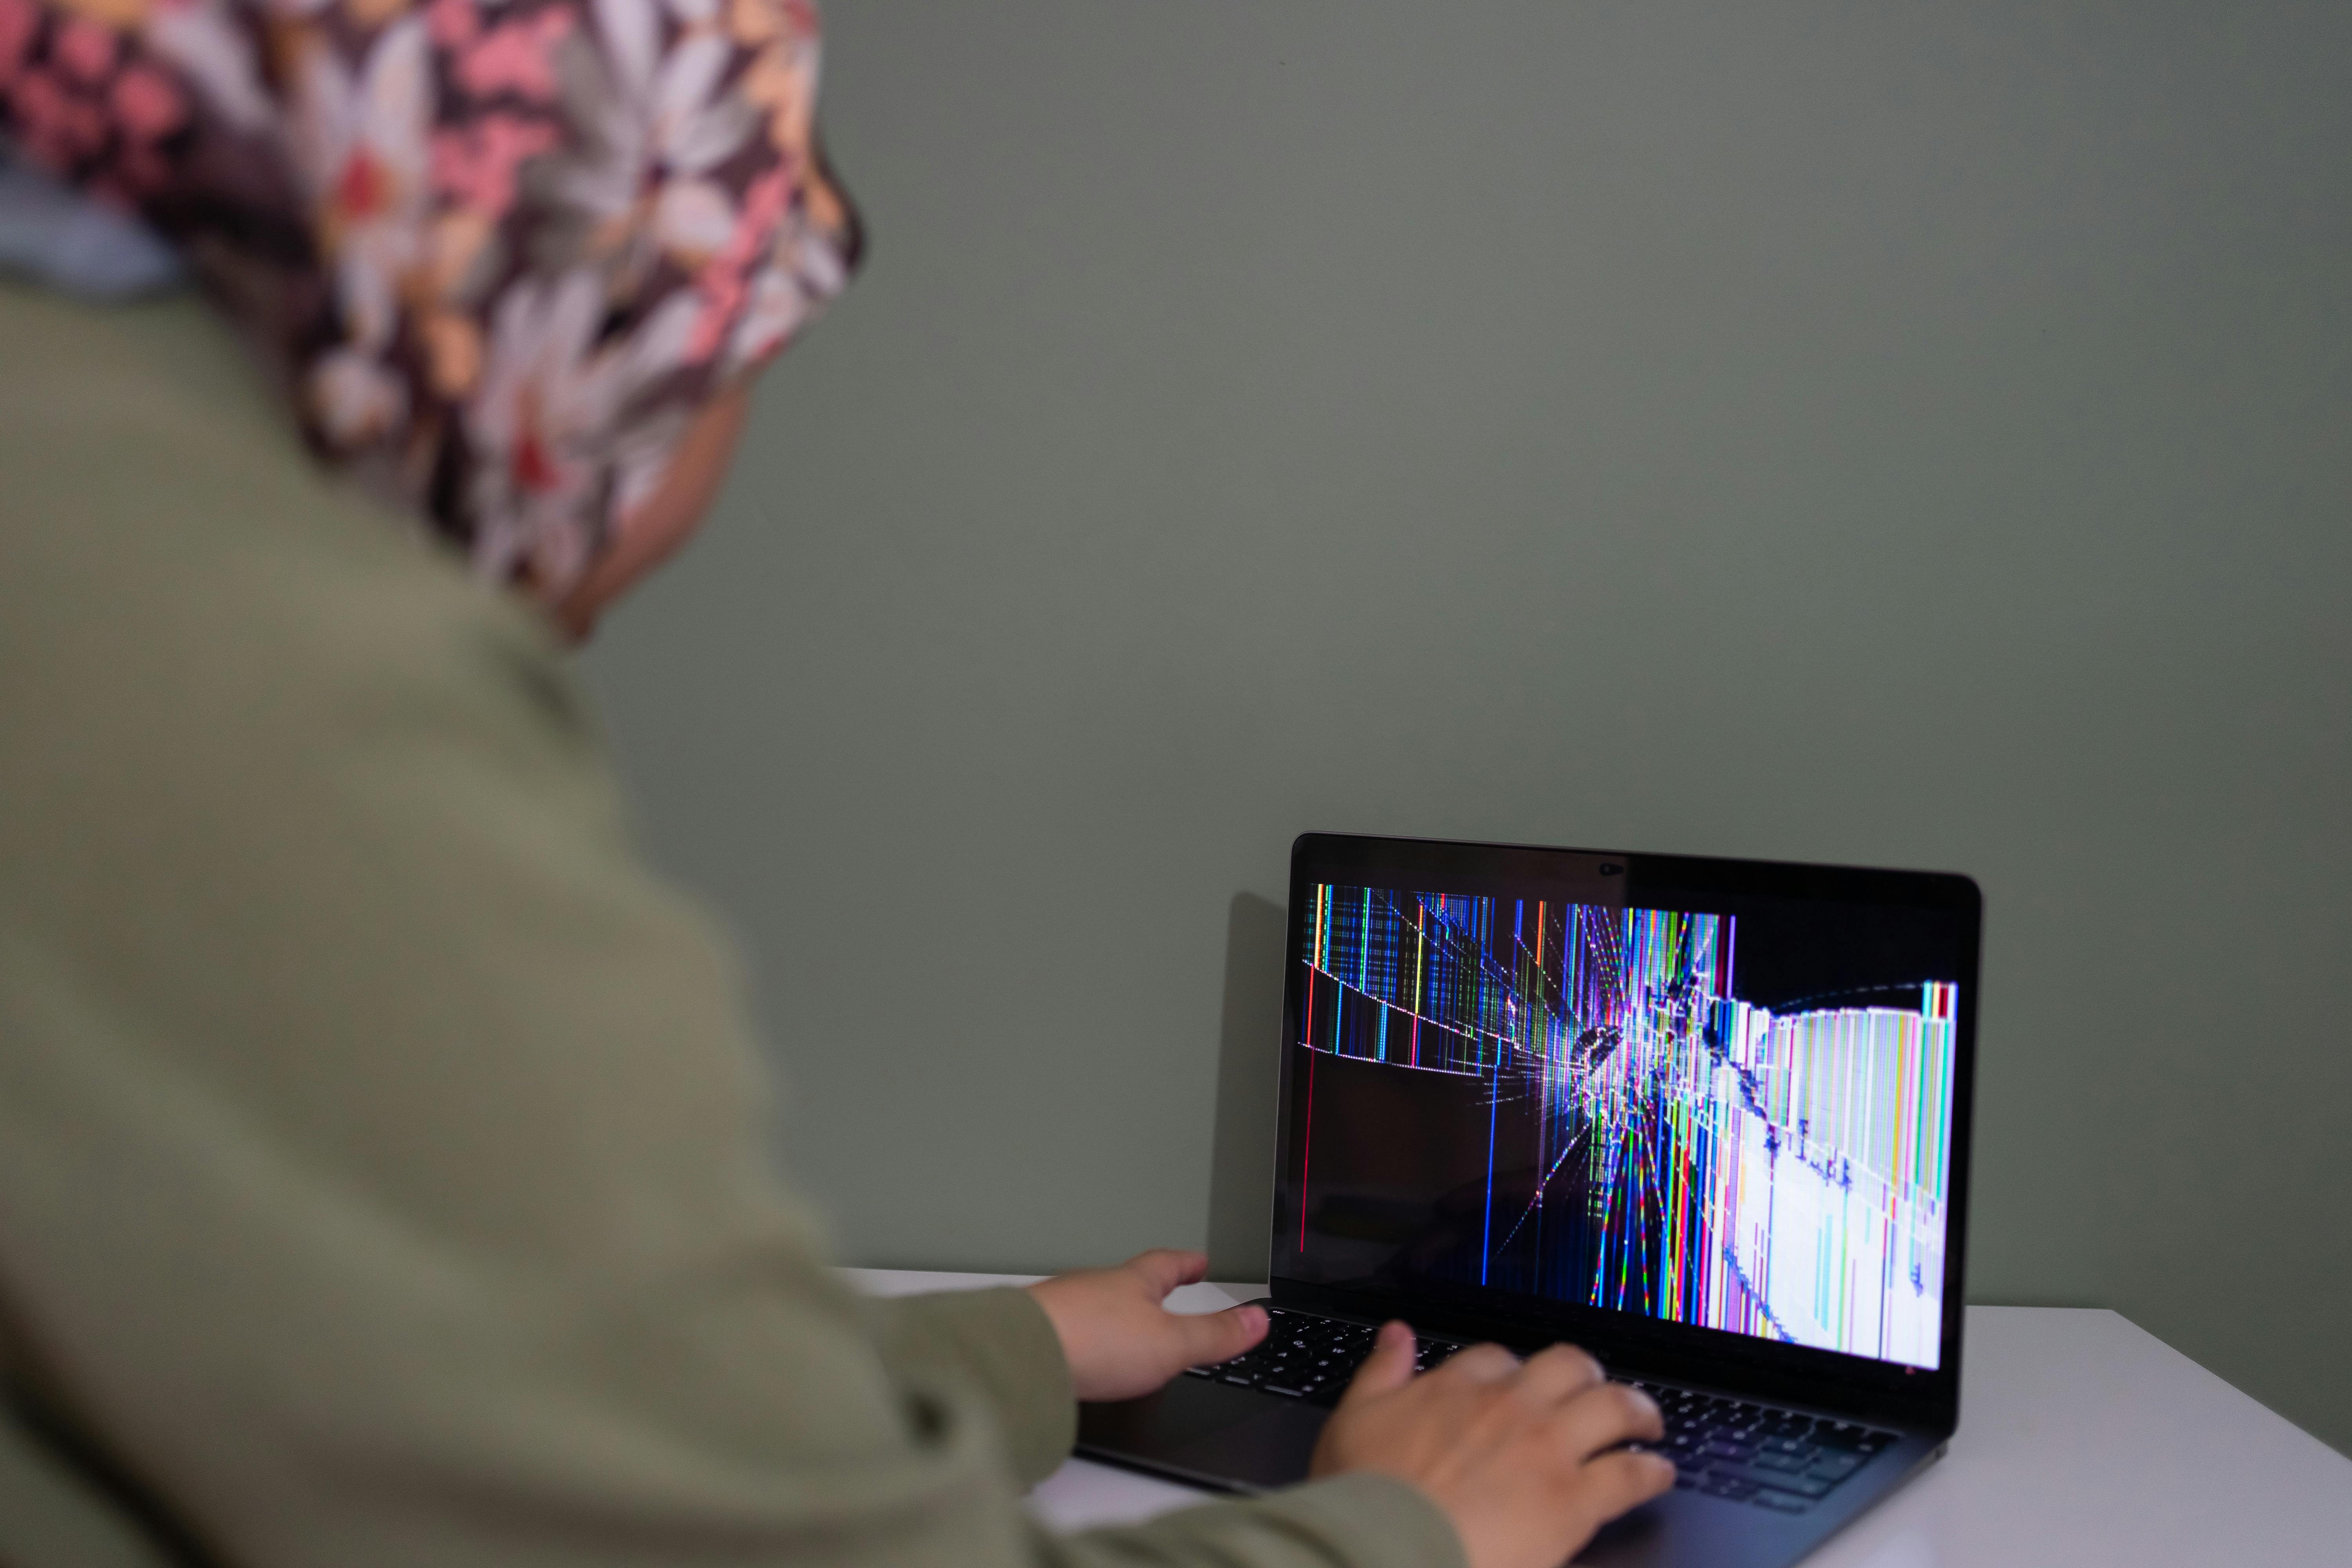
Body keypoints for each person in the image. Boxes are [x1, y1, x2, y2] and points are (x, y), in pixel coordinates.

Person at [0, 4, 1673, 1566]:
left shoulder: (88, 503)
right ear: (585, 282)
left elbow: (376, 1369)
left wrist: (994, 1355)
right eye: (738, 356)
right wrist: (1416, 1528)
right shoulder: (275, 678)